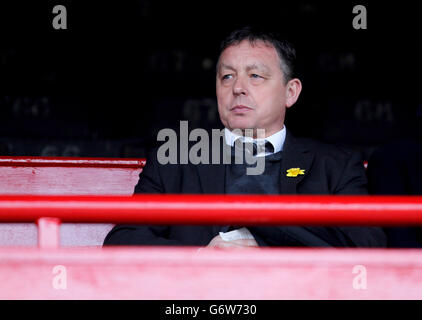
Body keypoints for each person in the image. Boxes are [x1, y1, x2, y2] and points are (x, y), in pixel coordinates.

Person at [104, 27, 386, 248]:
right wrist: (202, 255)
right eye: (227, 76)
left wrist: (266, 249)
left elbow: (366, 247)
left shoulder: (334, 165)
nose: (238, 87)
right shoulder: (175, 159)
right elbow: (123, 241)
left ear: (291, 92)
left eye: (255, 76)